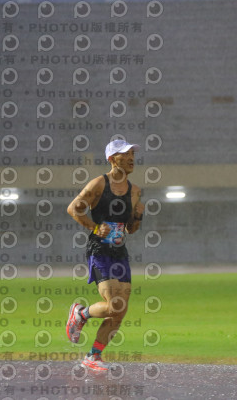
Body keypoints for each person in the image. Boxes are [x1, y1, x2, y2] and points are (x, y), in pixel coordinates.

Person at [66, 139, 144, 372]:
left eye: (132, 154)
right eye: (125, 154)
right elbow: (73, 208)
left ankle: (94, 356)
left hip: (120, 252)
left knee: (120, 311)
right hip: (100, 250)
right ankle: (81, 314)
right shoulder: (99, 183)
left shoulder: (135, 191)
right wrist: (94, 227)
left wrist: (138, 216)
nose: (131, 158)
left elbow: (131, 229)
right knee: (113, 306)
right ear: (111, 159)